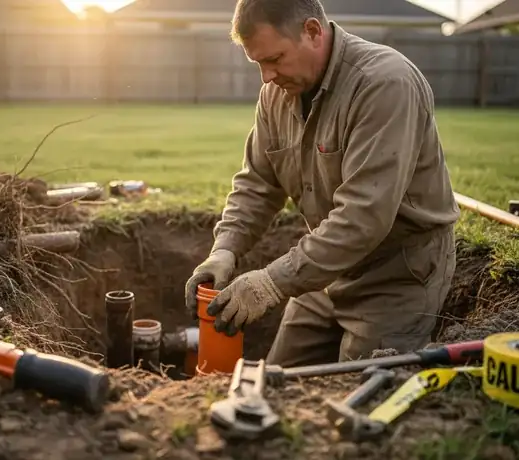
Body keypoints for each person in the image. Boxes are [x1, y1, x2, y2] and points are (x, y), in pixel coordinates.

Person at [184, 0, 461, 367]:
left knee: (358, 390)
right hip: (324, 273)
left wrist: (270, 283)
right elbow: (257, 183)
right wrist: (225, 250)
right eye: (259, 64)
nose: (266, 77)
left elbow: (364, 218)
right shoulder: (275, 94)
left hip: (397, 275)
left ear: (313, 31)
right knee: (277, 378)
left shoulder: (384, 84)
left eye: (275, 59)